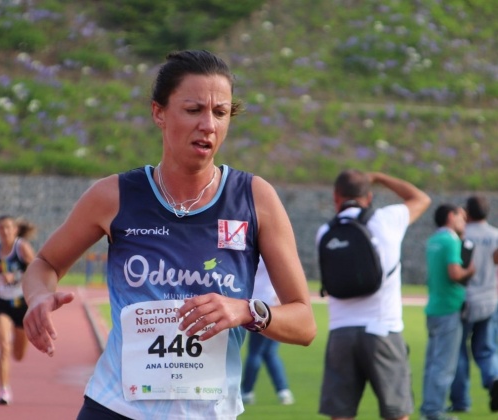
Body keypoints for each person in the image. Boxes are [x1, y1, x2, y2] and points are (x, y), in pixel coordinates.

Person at [22, 49, 316, 420]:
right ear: (158, 113)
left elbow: (304, 323)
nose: (208, 125)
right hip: (115, 407)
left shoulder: (256, 199)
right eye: (193, 110)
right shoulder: (113, 196)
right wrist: (36, 297)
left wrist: (246, 310)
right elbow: (45, 263)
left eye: (220, 113)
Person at [316, 169, 431, 420]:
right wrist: (380, 177)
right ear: (368, 197)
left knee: (341, 414)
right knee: (397, 413)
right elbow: (421, 199)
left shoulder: (324, 233)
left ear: (336, 196)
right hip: (383, 329)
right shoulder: (387, 219)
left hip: (340, 332)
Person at [420, 204, 476, 420]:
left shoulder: (433, 240)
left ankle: (429, 407)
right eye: (461, 217)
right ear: (451, 217)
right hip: (449, 308)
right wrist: (471, 269)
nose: (464, 222)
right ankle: (434, 410)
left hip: (434, 306)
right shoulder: (452, 240)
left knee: (433, 363)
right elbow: (454, 273)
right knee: (444, 364)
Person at [0, 215, 36, 405]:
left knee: (18, 355)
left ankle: (15, 339)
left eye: (8, 227)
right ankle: (4, 391)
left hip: (21, 304)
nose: (5, 231)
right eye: (1, 228)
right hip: (2, 303)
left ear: (15, 230)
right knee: (3, 346)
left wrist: (16, 275)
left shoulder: (22, 248)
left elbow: (36, 270)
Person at [449, 195, 498, 413]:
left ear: (467, 212)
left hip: (465, 298)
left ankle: (461, 401)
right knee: (487, 349)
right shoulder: (495, 235)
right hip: (489, 299)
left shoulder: (461, 235)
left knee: (458, 352)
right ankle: (494, 379)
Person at [240, 257, 294, 406]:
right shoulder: (270, 250)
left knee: (255, 352)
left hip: (258, 307)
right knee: (270, 353)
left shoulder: (254, 250)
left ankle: (247, 391)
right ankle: (283, 391)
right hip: (272, 304)